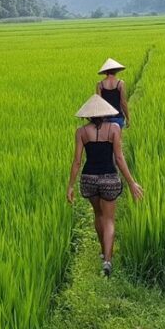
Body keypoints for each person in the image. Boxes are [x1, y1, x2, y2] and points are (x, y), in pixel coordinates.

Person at [67, 94, 144, 276]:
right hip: (109, 178)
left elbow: (77, 162)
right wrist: (131, 183)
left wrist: (70, 186)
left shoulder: (81, 132)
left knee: (98, 214)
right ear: (105, 114)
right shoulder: (114, 128)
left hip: (89, 179)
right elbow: (118, 158)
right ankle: (108, 260)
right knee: (109, 219)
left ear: (88, 115)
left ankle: (103, 252)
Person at [96, 58, 130, 128]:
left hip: (105, 118)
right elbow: (123, 102)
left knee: (105, 138)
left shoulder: (100, 84)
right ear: (116, 71)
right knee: (117, 138)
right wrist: (128, 118)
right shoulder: (120, 83)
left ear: (105, 72)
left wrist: (98, 120)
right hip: (118, 117)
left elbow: (99, 103)